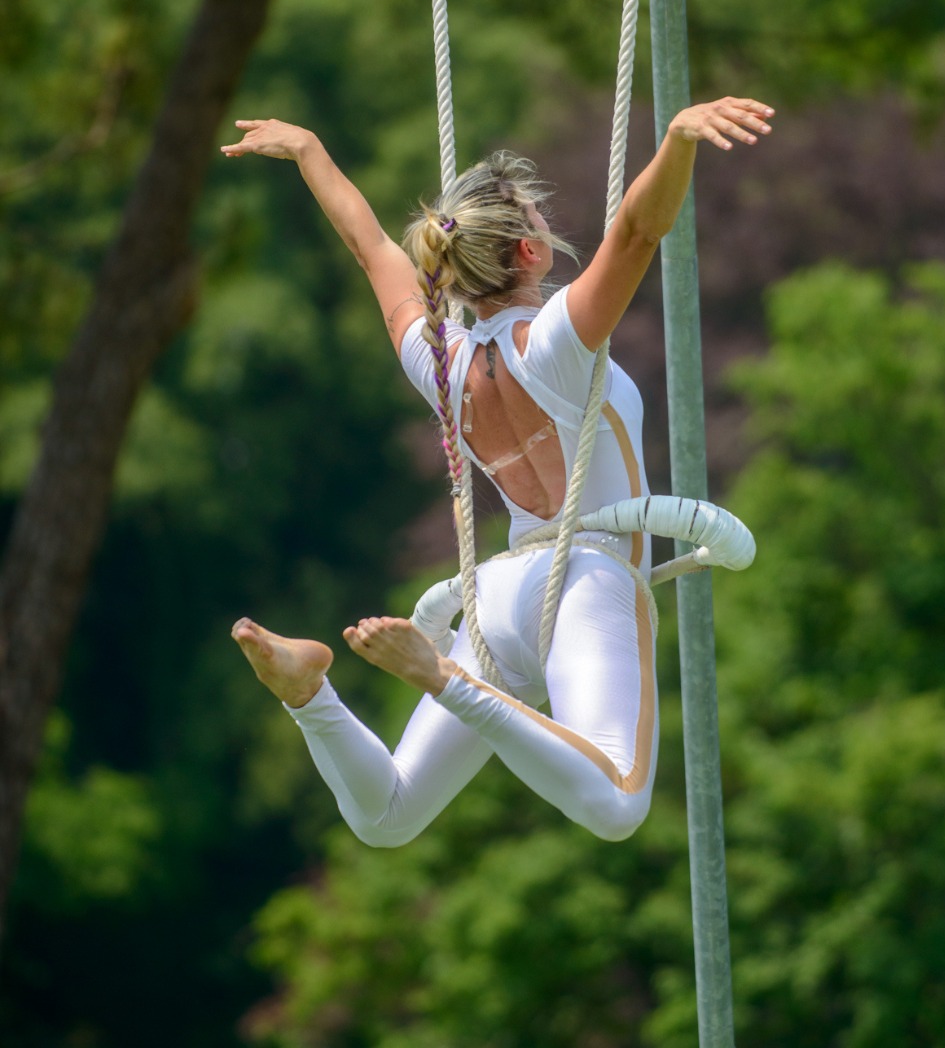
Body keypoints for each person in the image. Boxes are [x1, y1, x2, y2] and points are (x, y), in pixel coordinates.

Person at [221, 96, 773, 844]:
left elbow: (372, 250)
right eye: (540, 226)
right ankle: (441, 676)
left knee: (386, 816)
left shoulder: (438, 364)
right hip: (587, 578)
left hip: (501, 593)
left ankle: (308, 695)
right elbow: (639, 231)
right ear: (529, 255)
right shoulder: (554, 344)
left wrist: (312, 150)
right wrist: (676, 139)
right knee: (615, 805)